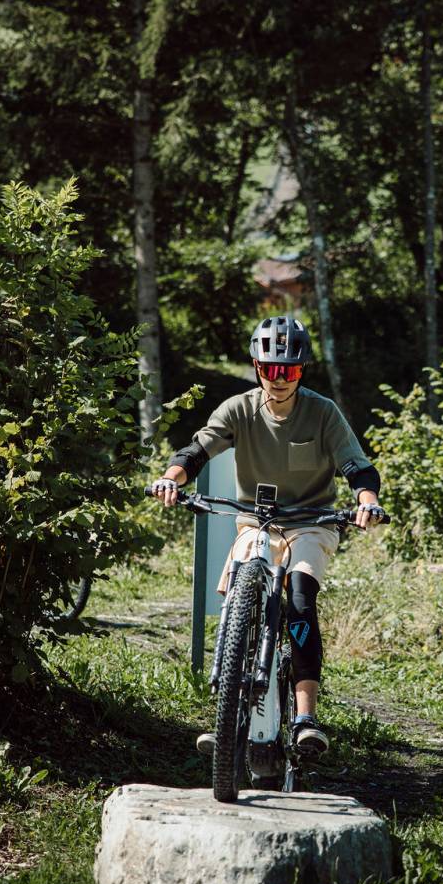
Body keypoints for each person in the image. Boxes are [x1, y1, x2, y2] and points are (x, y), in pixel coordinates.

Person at [150, 315, 385, 758]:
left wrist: (367, 500)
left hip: (311, 522)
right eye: (270, 369)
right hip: (255, 521)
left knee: (298, 596)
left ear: (301, 372)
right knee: (240, 587)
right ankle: (223, 713)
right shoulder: (239, 408)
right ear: (257, 367)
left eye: (289, 371)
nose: (279, 379)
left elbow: (357, 467)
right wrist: (170, 478)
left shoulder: (322, 413)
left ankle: (304, 716)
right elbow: (198, 449)